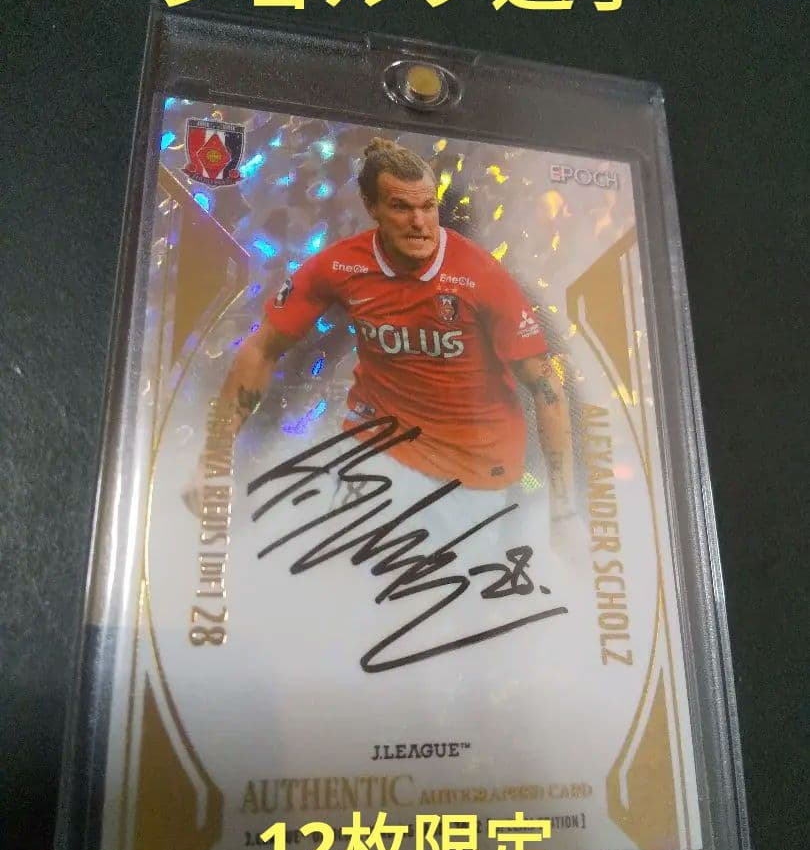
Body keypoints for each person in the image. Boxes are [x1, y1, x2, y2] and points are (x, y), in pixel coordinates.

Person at [186, 137, 580, 559]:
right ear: (371, 207)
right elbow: (262, 349)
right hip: (376, 447)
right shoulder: (341, 265)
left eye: (427, 207)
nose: (419, 222)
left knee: (438, 587)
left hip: (472, 467)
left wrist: (564, 513)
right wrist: (214, 460)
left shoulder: (482, 277)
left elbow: (546, 386)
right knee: (318, 566)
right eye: (401, 207)